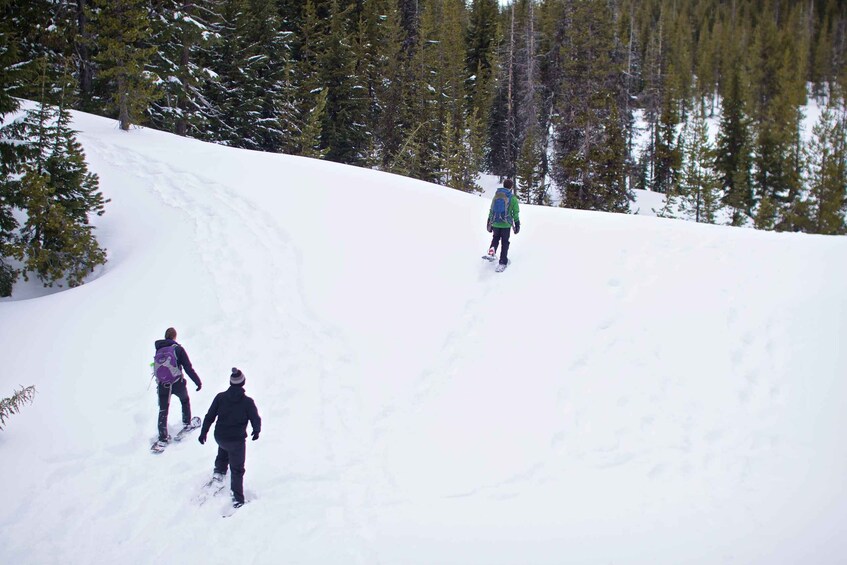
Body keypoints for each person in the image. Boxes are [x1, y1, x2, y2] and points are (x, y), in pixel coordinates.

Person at [198, 367, 262, 508]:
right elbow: (255, 419)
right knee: (237, 469)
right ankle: (237, 498)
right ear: (243, 383)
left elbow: (210, 416)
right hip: (236, 441)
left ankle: (219, 471)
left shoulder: (220, 397)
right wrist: (256, 431)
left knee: (224, 448)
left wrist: (204, 432)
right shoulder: (247, 402)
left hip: (220, 436)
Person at [153, 327, 202, 448]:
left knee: (163, 410)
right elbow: (188, 368)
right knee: (185, 401)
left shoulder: (159, 349)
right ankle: (186, 423)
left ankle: (162, 437)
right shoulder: (178, 349)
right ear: (175, 337)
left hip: (162, 385)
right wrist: (197, 381)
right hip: (177, 383)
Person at [486, 178, 521, 268]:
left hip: (495, 222)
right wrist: (517, 224)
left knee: (495, 238)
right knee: (505, 242)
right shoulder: (512, 198)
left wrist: (489, 221)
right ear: (511, 187)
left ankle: (492, 250)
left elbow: (492, 209)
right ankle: (502, 261)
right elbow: (515, 212)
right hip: (506, 224)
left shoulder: (496, 195)